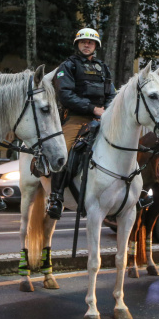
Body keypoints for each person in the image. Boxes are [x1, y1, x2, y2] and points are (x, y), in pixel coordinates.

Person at [45, 27, 115, 220]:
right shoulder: (68, 66)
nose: (87, 45)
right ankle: (56, 197)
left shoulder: (103, 68)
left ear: (95, 46)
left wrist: (106, 111)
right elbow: (65, 95)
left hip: (101, 118)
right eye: (83, 42)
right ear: (77, 44)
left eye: (90, 42)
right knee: (64, 152)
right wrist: (92, 109)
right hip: (76, 118)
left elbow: (112, 94)